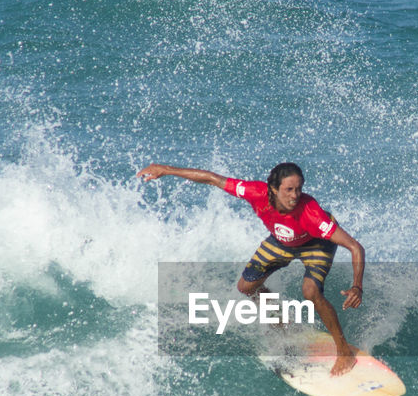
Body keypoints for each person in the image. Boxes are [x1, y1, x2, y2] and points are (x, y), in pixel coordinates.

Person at [138, 161, 365, 376]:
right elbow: (212, 179)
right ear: (273, 189)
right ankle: (281, 319)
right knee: (246, 287)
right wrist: (166, 170)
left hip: (315, 243)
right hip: (282, 240)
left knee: (310, 291)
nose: (295, 196)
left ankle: (344, 352)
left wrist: (357, 286)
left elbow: (355, 247)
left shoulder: (311, 213)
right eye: (288, 189)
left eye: (298, 189)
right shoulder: (255, 192)